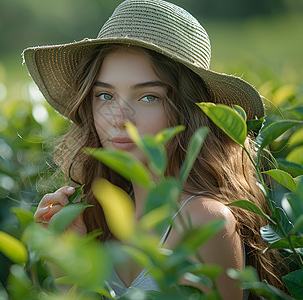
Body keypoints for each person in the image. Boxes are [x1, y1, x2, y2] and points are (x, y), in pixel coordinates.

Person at [23, 0, 286, 298]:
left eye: (148, 97)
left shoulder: (205, 223)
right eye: (105, 95)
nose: (119, 119)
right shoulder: (98, 217)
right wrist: (67, 265)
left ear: (188, 111)